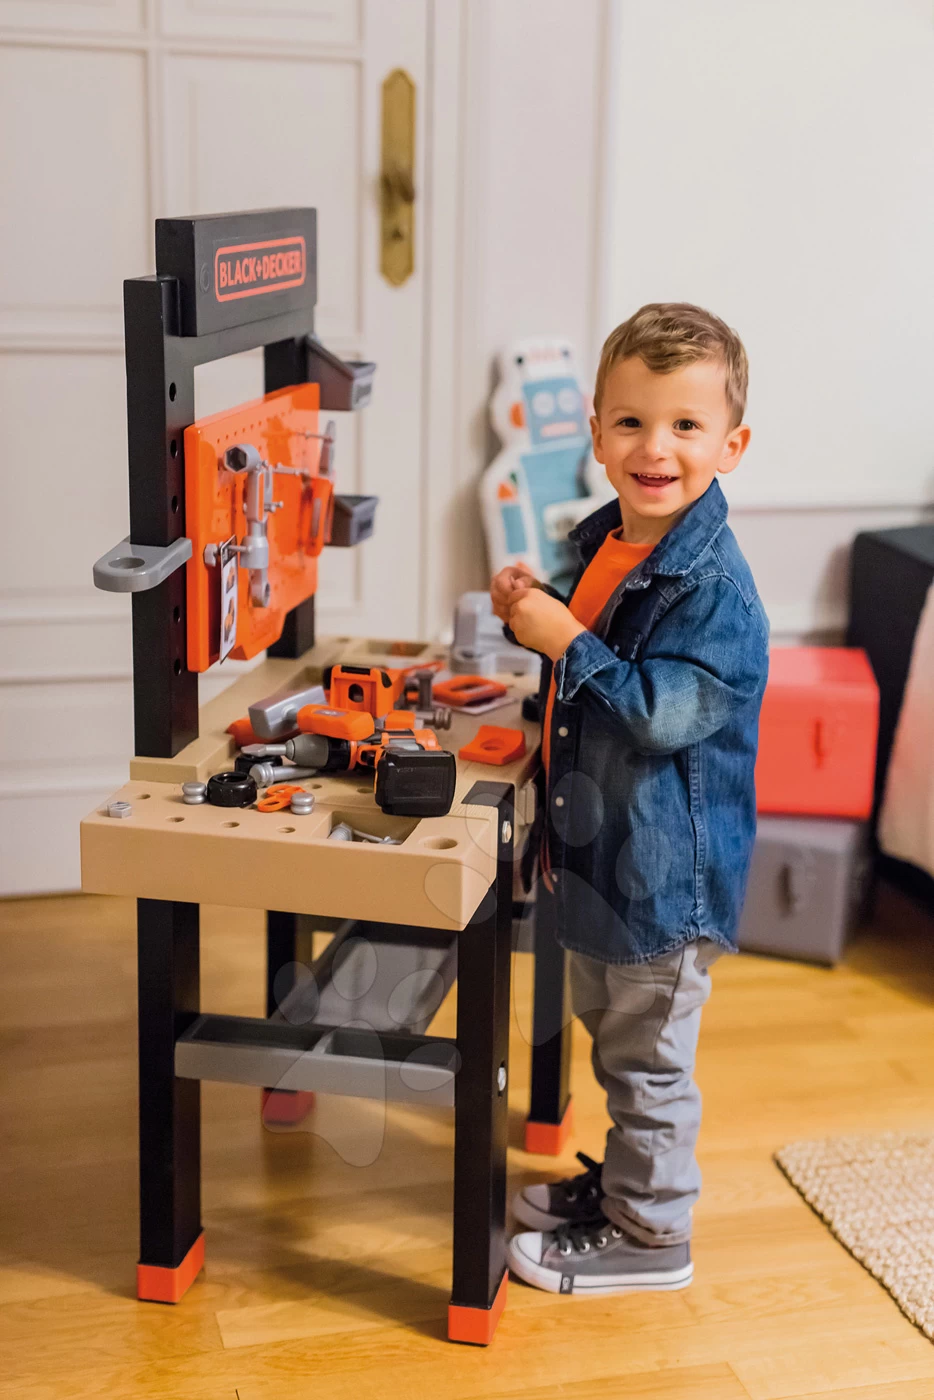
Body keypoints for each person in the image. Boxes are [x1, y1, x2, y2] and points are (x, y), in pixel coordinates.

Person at [491, 303, 769, 1296]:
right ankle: (622, 1188)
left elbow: (653, 712)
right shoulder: (609, 539)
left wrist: (561, 635)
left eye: (686, 426)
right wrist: (538, 619)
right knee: (616, 1043)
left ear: (729, 445)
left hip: (664, 880)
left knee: (649, 1062)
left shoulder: (716, 594)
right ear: (597, 431)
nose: (655, 448)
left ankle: (651, 1234)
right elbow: (579, 658)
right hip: (603, 858)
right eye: (631, 422)